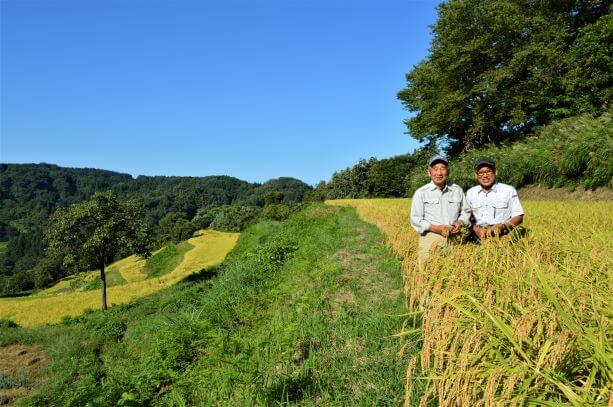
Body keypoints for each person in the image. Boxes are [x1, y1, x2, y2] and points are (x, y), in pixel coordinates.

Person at [410, 154, 470, 264]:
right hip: (431, 238)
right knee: (427, 273)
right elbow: (415, 219)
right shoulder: (421, 192)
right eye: (435, 169)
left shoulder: (457, 190)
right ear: (429, 173)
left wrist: (460, 222)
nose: (439, 173)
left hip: (454, 239)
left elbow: (466, 211)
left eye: (443, 169)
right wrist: (435, 228)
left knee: (454, 274)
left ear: (448, 172)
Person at [466, 157, 524, 239]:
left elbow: (519, 216)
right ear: (476, 175)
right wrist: (476, 229)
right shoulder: (471, 193)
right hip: (478, 233)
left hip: (502, 232)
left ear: (495, 172)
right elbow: (467, 217)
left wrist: (502, 226)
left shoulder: (508, 190)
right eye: (481, 173)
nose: (485, 175)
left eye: (488, 171)